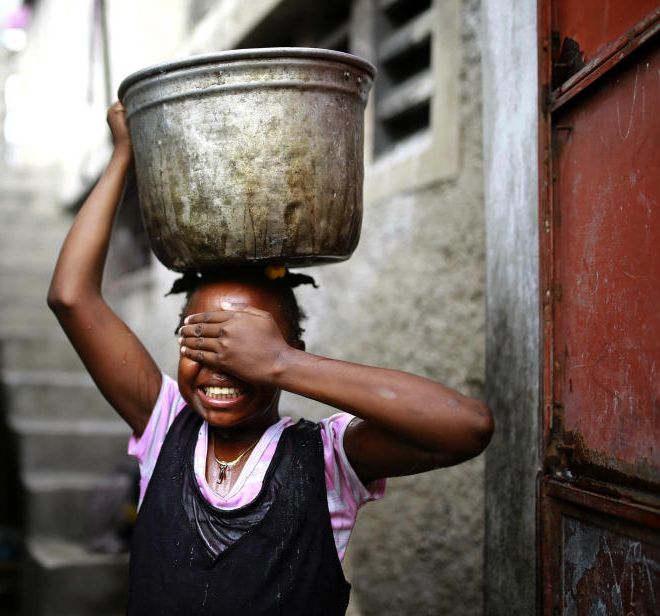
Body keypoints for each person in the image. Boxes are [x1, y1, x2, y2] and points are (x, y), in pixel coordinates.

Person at [47, 102, 494, 614]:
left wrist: (280, 364)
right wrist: (124, 153)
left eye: (246, 349)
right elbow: (71, 296)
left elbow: (469, 426)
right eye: (203, 341)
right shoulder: (164, 422)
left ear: (287, 352)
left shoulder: (328, 460)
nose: (223, 366)